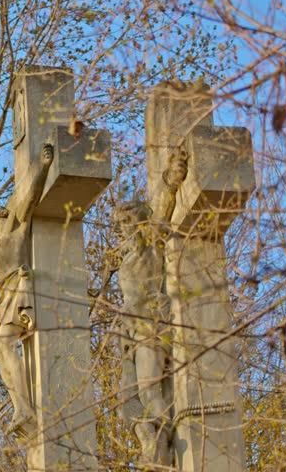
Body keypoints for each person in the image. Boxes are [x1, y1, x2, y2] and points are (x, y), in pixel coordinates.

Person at [0, 144, 54, 436]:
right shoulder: (0, 239)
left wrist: (43, 167)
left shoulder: (13, 228)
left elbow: (29, 200)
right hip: (4, 295)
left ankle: (24, 408)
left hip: (17, 290)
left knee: (3, 345)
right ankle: (21, 406)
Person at [112, 200, 173, 467]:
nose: (123, 230)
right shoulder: (129, 257)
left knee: (149, 390)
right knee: (129, 396)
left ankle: (166, 440)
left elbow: (164, 213)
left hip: (150, 325)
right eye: (119, 225)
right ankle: (152, 440)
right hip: (131, 331)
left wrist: (170, 182)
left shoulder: (152, 247)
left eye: (127, 222)